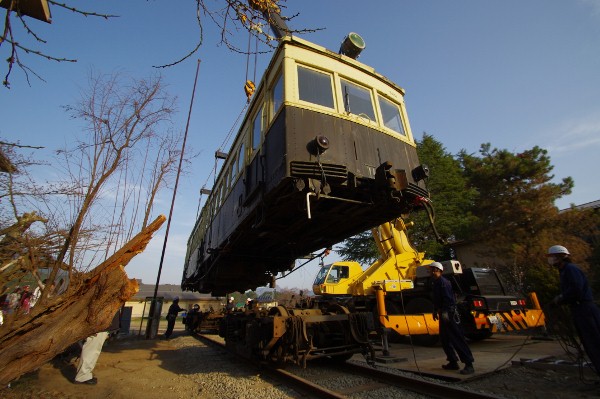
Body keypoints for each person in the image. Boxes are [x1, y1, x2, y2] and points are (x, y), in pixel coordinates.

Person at [547, 245, 600, 377]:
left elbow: (576, 290)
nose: (550, 260)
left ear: (560, 257)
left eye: (552, 257)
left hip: (585, 310)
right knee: (590, 345)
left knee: (595, 343)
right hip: (579, 309)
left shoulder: (571, 269)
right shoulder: (565, 271)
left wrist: (560, 299)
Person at [429, 261, 475, 375]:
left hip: (449, 314)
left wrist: (445, 311)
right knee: (445, 339)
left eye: (432, 269)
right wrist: (435, 310)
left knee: (456, 337)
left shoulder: (444, 283)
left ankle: (469, 364)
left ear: (437, 270)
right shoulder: (436, 283)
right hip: (443, 313)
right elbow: (437, 299)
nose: (430, 272)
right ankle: (453, 361)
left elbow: (448, 299)